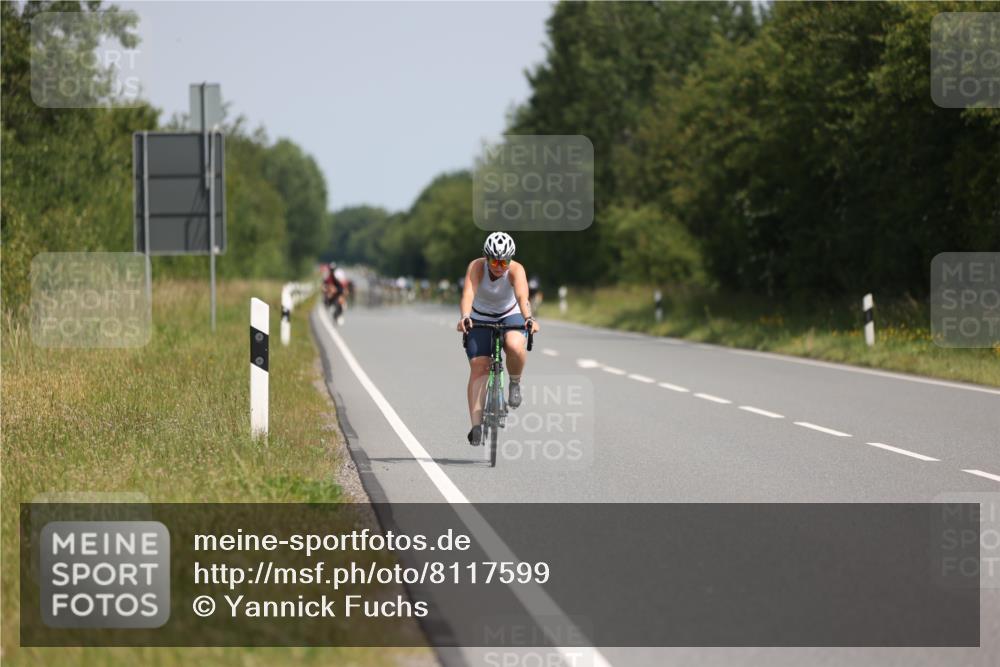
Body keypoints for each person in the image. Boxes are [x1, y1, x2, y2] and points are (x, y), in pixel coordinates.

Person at [456, 232, 539, 446]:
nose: (499, 266)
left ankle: (514, 382)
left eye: (504, 261)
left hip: (509, 312)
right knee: (478, 365)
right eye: (494, 260)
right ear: (486, 257)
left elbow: (522, 297)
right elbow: (468, 294)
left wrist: (529, 318)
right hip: (479, 315)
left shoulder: (516, 269)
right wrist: (465, 317)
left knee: (513, 344)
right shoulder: (476, 267)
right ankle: (475, 426)